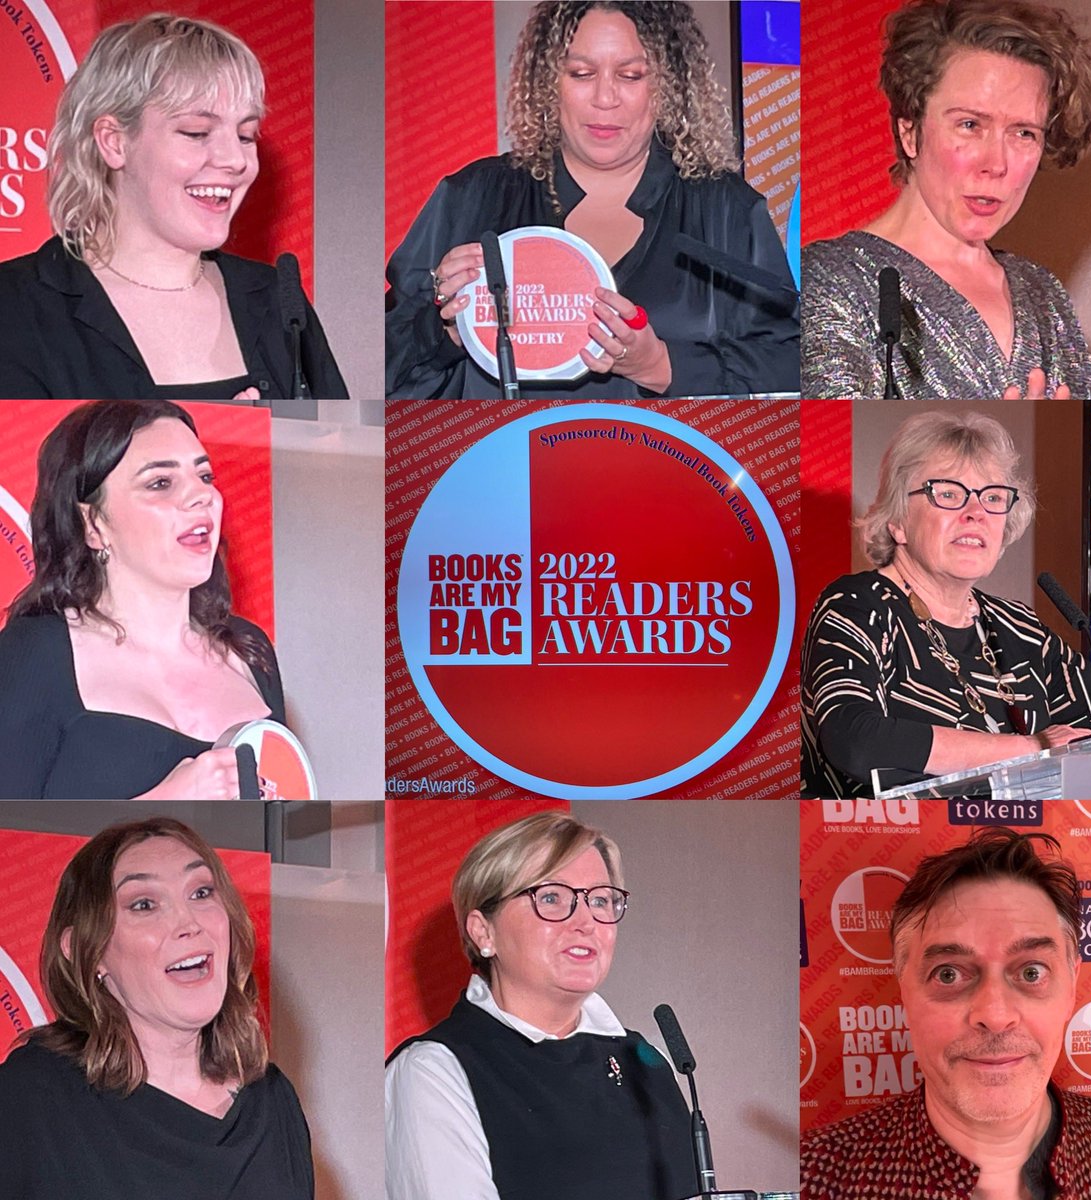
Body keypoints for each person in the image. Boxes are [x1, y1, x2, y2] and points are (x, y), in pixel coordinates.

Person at [385, 0, 798, 400]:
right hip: (502, 464)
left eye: (631, 75)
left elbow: (792, 364)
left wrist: (661, 365)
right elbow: (379, 369)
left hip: (666, 463)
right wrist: (447, 331)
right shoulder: (472, 198)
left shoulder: (725, 209)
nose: (605, 98)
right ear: (549, 83)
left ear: (670, 86)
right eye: (581, 73)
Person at [801, 410, 1091, 798]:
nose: (975, 513)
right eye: (948, 493)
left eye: (993, 497)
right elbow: (855, 739)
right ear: (898, 521)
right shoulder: (857, 604)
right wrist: (1035, 749)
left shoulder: (1017, 625)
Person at [801, 827, 1091, 1199]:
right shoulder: (817, 1174)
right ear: (904, 992)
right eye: (948, 974)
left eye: (1032, 972)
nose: (995, 1015)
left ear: (1072, 986)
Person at [0, 14, 347, 401]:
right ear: (114, 142)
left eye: (246, 135)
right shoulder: (16, 308)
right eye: (197, 132)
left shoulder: (277, 301)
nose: (236, 159)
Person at [384, 812, 696, 1200]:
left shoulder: (646, 1063)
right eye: (551, 897)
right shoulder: (433, 1071)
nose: (586, 921)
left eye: (600, 899)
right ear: (484, 931)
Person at [801, 0, 1091, 400]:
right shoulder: (827, 281)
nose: (996, 164)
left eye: (1024, 133)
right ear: (910, 132)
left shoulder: (1042, 294)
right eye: (970, 125)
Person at [0, 817, 314, 1199]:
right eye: (144, 904)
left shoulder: (272, 1098)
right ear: (86, 950)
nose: (188, 923)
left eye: (200, 893)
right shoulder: (32, 1095)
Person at [0, 400, 285, 799]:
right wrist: (171, 798)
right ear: (93, 524)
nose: (202, 496)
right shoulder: (34, 652)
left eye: (205, 475)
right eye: (160, 483)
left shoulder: (251, 649)